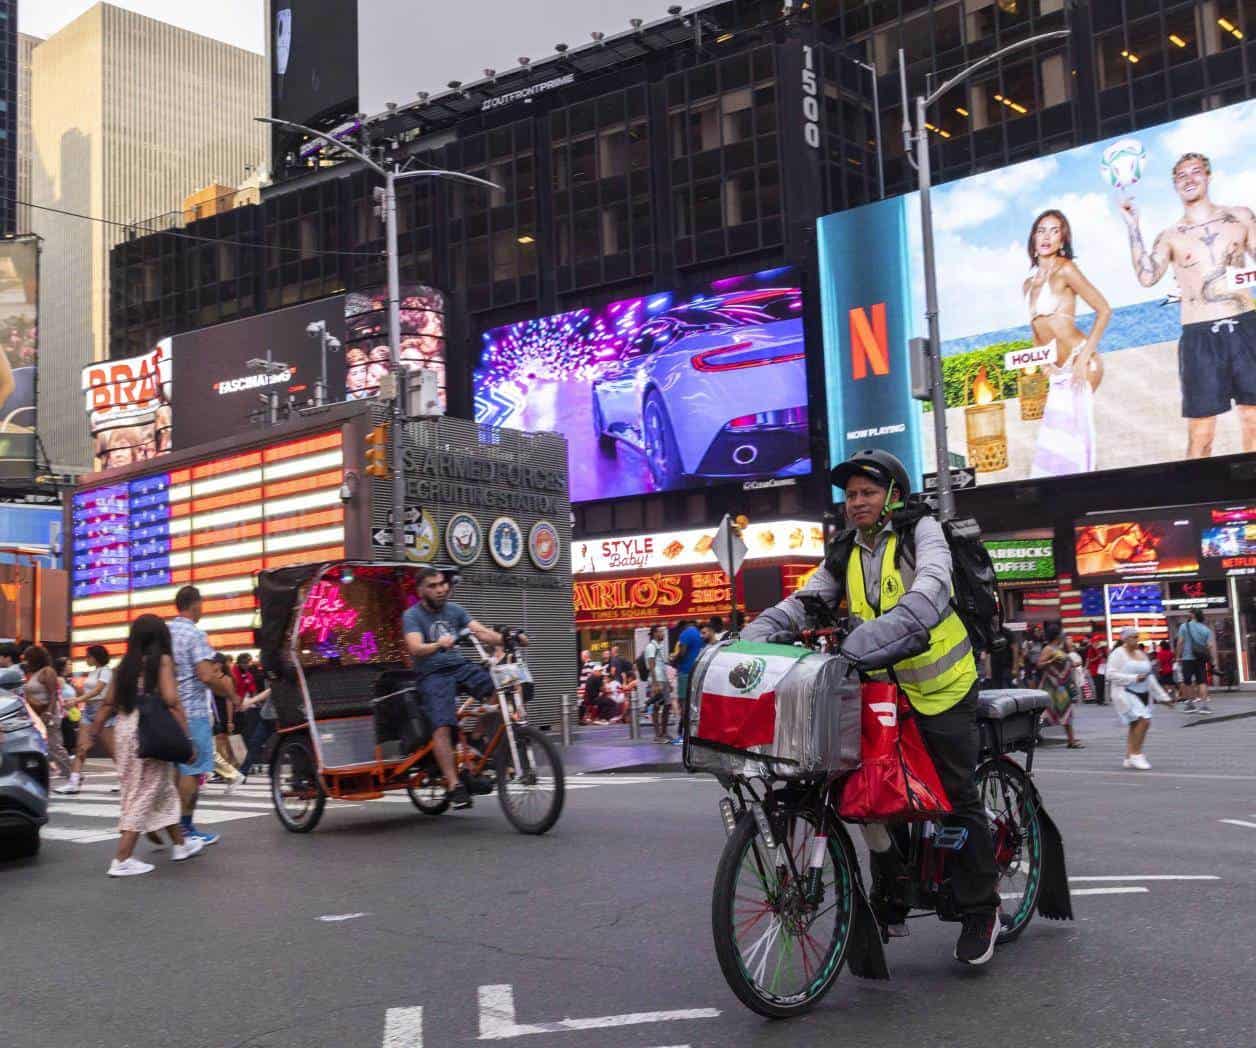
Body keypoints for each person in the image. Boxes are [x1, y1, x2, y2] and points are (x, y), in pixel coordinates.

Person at [743, 449, 1001, 966]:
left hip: (942, 688)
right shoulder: (846, 549)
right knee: (874, 794)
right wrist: (749, 639)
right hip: (880, 692)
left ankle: (981, 911)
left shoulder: (921, 532)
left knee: (954, 795)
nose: (856, 502)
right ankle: (896, 889)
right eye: (850, 495)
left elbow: (928, 594)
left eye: (867, 492)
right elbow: (805, 602)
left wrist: (858, 644)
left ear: (893, 497)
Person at [1120, 151, 1256, 458]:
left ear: (1208, 176)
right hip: (1199, 334)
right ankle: (1198, 497)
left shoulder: (1240, 217)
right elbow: (1146, 276)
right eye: (1181, 175)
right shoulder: (1170, 236)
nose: (1189, 179)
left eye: (1196, 172)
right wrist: (1132, 225)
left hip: (1247, 324)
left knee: (1253, 419)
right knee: (1201, 433)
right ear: (1174, 185)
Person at [77, 615, 202, 875]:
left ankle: (180, 844)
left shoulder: (124, 666)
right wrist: (187, 740)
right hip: (150, 729)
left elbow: (108, 704)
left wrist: (92, 734)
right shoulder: (162, 662)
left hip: (125, 729)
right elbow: (171, 701)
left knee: (162, 789)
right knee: (143, 793)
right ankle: (122, 859)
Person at [402, 565, 506, 809]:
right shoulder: (412, 616)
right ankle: (454, 785)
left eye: (442, 584)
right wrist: (438, 644)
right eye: (433, 586)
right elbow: (415, 647)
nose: (440, 589)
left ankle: (477, 737)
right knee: (442, 725)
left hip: (460, 666)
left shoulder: (455, 610)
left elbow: (481, 632)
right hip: (432, 673)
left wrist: (508, 638)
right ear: (421, 591)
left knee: (503, 687)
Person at [1023, 209, 1111, 477]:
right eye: (1041, 230)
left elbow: (1104, 310)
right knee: (1056, 443)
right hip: (1057, 368)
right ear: (1033, 239)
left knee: (1077, 438)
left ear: (1062, 240)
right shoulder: (1028, 284)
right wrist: (1043, 362)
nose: (1047, 236)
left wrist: (1085, 356)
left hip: (1080, 360)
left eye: (1054, 230)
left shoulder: (1065, 270)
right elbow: (1036, 329)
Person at [169, 585, 240, 846]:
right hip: (194, 711)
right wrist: (231, 695)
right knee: (193, 769)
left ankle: (174, 826)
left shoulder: (166, 632)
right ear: (195, 604)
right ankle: (186, 830)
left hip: (169, 711)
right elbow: (206, 675)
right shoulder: (195, 634)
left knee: (177, 771)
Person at [58, 645, 114, 794]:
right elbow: (90, 691)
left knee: (113, 751)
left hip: (102, 712)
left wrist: (77, 699)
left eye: (88, 656)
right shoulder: (93, 672)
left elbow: (98, 690)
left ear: (95, 657)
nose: (86, 658)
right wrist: (77, 694)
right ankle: (74, 783)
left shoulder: (106, 671)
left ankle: (127, 781)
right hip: (89, 712)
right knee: (81, 748)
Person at [21, 645, 74, 780]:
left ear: (35, 658)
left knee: (54, 745)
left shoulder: (47, 671)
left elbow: (53, 694)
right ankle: (64, 772)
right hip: (37, 715)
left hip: (48, 714)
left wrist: (49, 713)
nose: (25, 661)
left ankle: (73, 774)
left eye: (28, 658)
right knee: (44, 746)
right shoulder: (34, 673)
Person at [1106, 627, 1156, 770]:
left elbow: (1149, 676)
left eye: (1137, 636)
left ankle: (1129, 756)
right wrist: (1133, 678)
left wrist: (1162, 696)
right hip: (1123, 692)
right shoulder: (1117, 654)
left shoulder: (1140, 653)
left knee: (1135, 724)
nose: (1136, 639)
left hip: (1139, 693)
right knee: (1144, 721)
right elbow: (1110, 675)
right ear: (1125, 639)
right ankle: (1136, 754)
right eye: (1133, 637)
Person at [1037, 624, 1083, 748]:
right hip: (1052, 686)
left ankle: (1071, 740)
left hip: (1062, 686)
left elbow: (1064, 663)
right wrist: (1050, 661)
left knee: (1065, 711)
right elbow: (1039, 664)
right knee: (1047, 713)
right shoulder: (1049, 649)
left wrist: (1074, 664)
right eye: (1062, 634)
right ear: (1057, 636)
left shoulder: (1059, 648)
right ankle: (1031, 735)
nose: (1064, 636)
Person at [1175, 609, 1218, 714]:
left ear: (1193, 615)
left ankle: (1190, 705)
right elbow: (1210, 646)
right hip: (1200, 659)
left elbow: (1180, 642)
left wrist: (1177, 656)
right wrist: (1213, 659)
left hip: (1187, 658)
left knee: (1188, 682)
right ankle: (1204, 706)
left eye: (1190, 613)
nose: (1188, 615)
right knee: (1202, 681)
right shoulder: (1205, 629)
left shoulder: (1184, 627)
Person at [669, 619, 704, 746]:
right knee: (694, 703)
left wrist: (673, 659)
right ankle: (693, 734)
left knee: (683, 704)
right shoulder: (699, 633)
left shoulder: (685, 634)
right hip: (696, 671)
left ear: (683, 626)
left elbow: (682, 652)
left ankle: (685, 735)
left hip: (685, 672)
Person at [644, 625, 672, 742]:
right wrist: (655, 683)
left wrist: (668, 682)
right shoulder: (651, 646)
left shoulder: (659, 646)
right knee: (656, 706)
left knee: (667, 704)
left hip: (662, 679)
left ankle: (664, 732)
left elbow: (662, 666)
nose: (663, 634)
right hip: (657, 680)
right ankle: (657, 735)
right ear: (655, 633)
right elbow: (651, 664)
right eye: (661, 632)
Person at [1086, 635, 1108, 706]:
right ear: (1093, 642)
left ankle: (1102, 699)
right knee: (1098, 685)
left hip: (1102, 668)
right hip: (1094, 670)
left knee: (1102, 684)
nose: (1097, 643)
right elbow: (1091, 660)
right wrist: (1098, 657)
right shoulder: (1091, 649)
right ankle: (1099, 700)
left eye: (1098, 641)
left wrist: (1104, 655)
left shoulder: (1101, 649)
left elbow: (1105, 656)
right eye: (1096, 641)